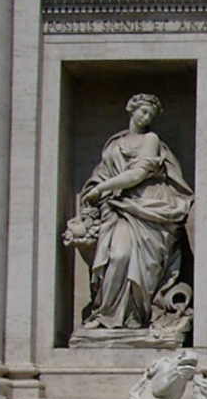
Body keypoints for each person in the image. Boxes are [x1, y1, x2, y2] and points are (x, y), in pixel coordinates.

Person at [66, 93, 194, 335]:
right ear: (131, 109)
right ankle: (105, 314)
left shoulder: (151, 139)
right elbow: (101, 173)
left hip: (147, 206)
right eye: (143, 111)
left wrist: (102, 189)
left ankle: (136, 316)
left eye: (151, 115)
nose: (146, 117)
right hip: (117, 208)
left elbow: (137, 175)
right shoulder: (114, 144)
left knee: (140, 264)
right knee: (118, 255)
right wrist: (96, 190)